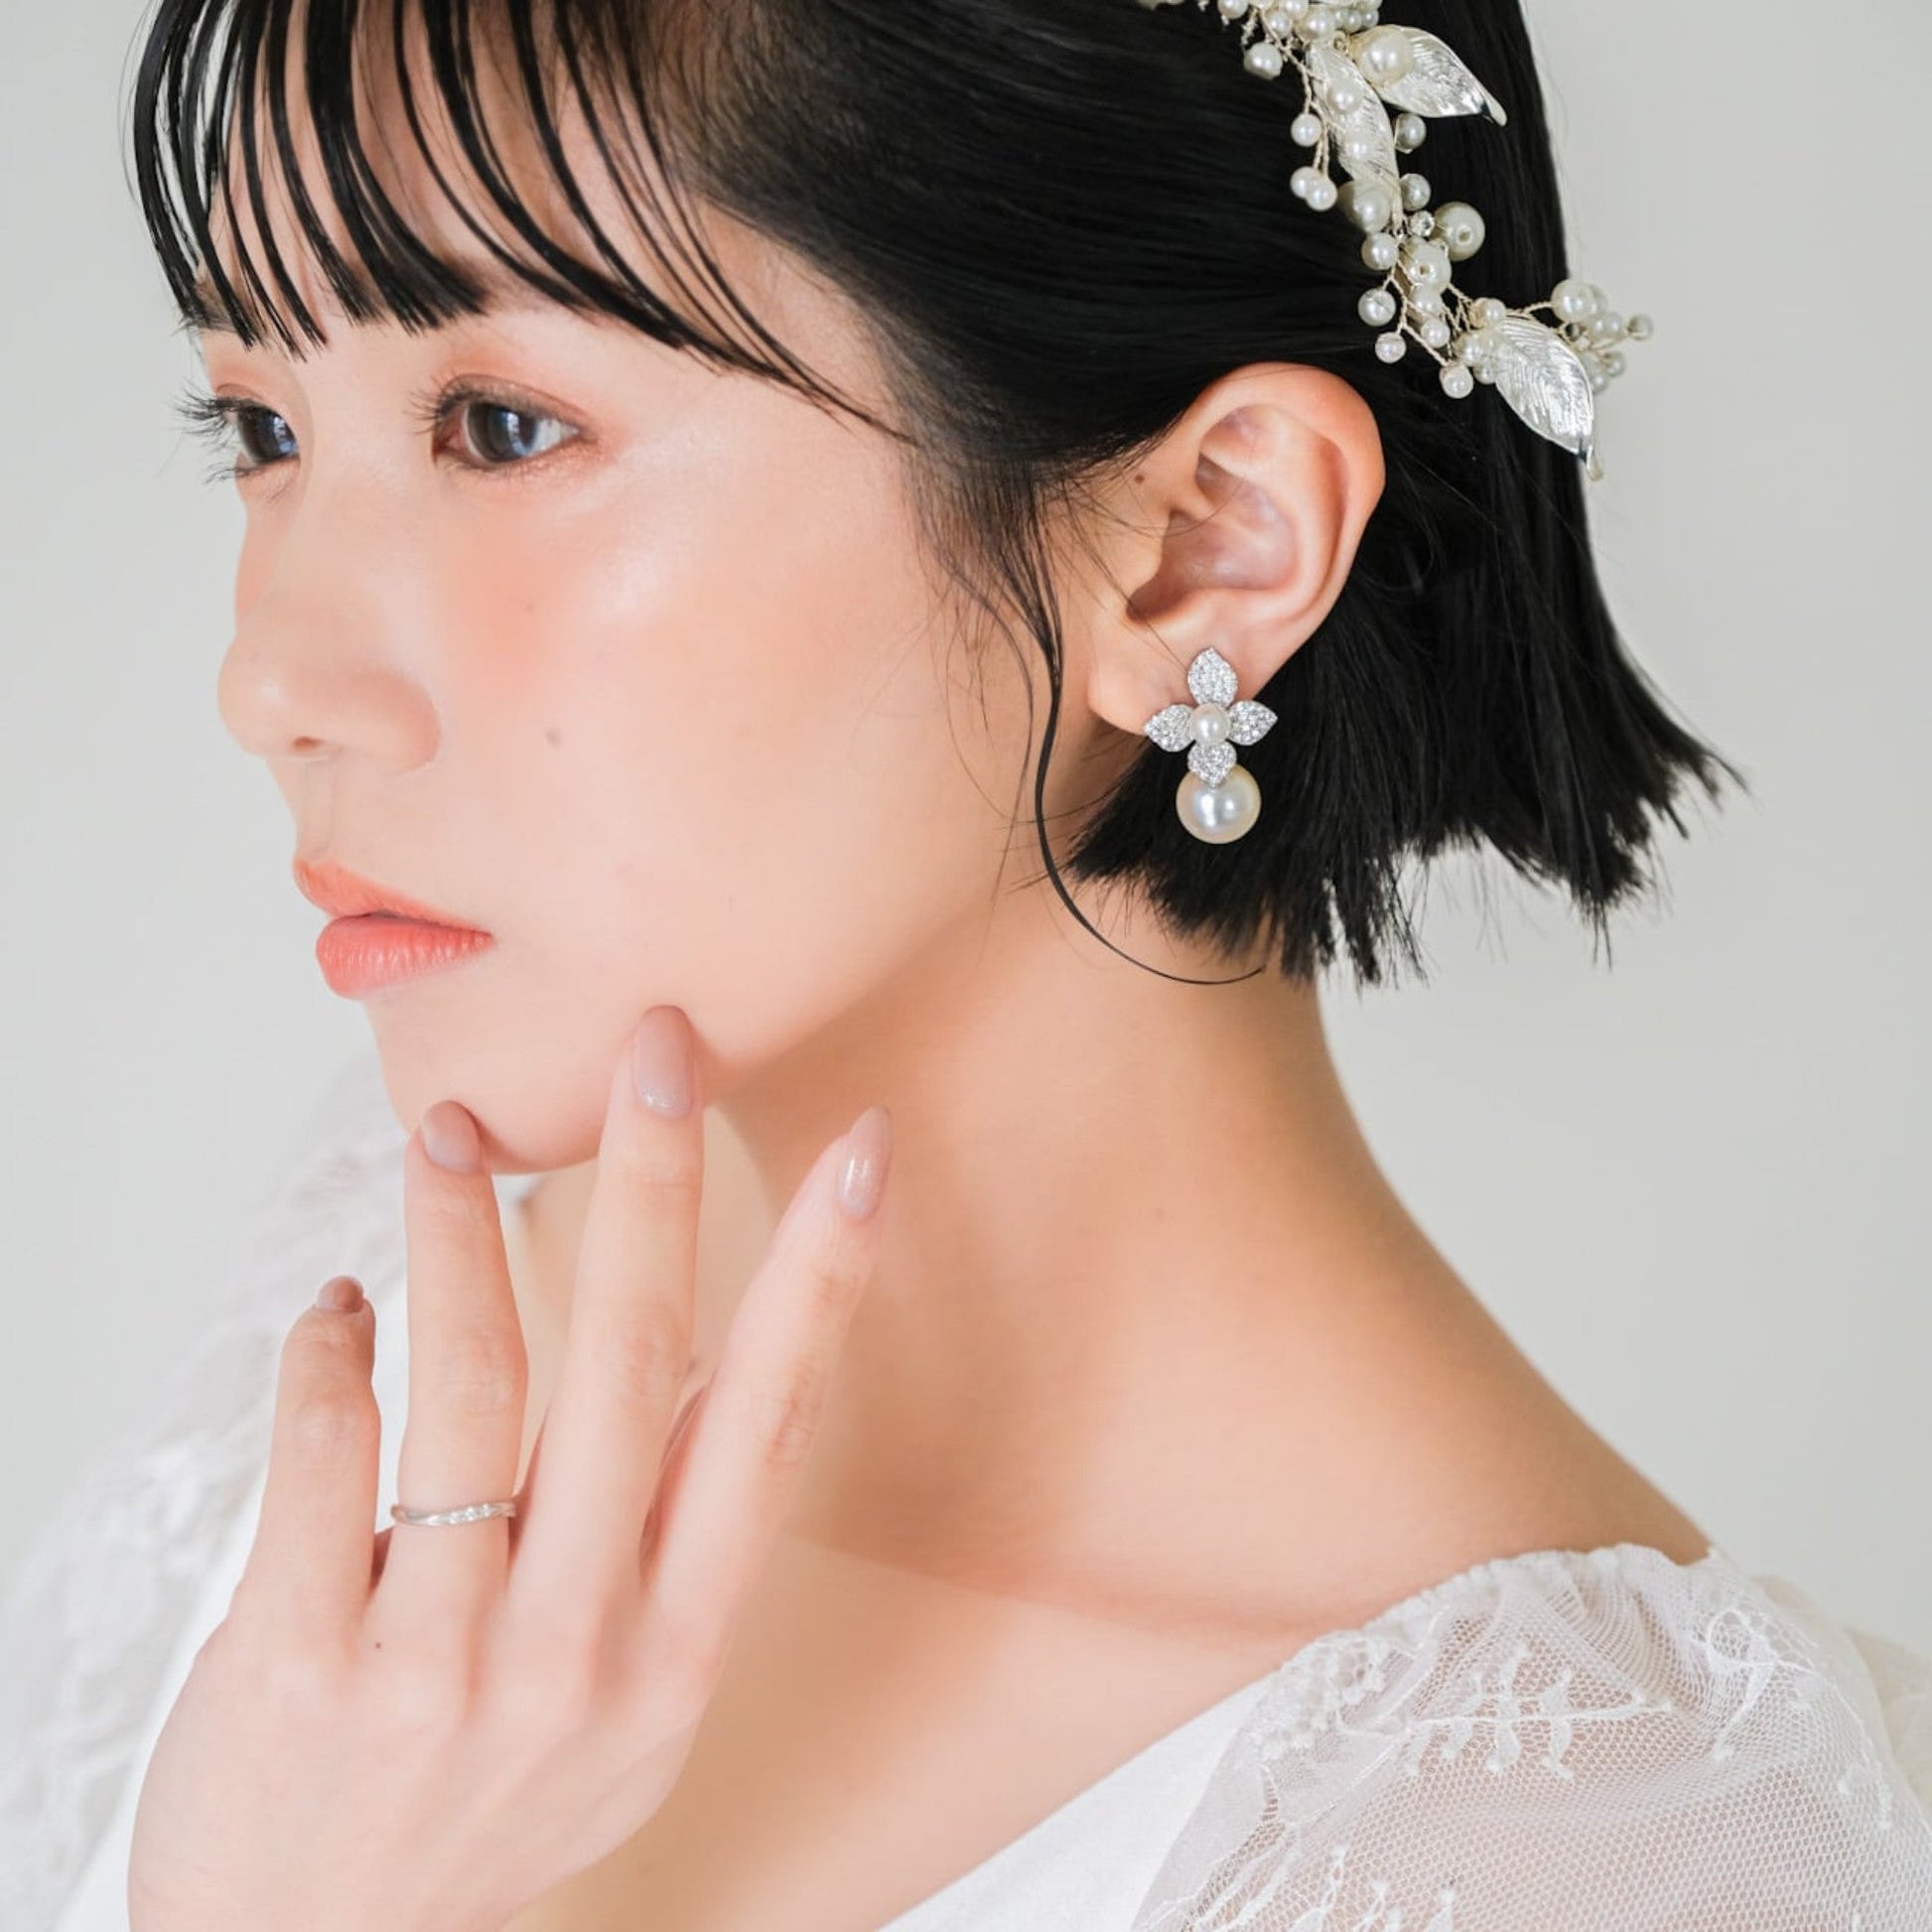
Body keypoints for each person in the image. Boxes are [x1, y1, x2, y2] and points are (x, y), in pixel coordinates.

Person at [4, 0, 1927, 1925]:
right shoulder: (404, 1314)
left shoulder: (1604, 1849)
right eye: (261, 429)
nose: (269, 679)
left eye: (504, 427)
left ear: (1207, 541)